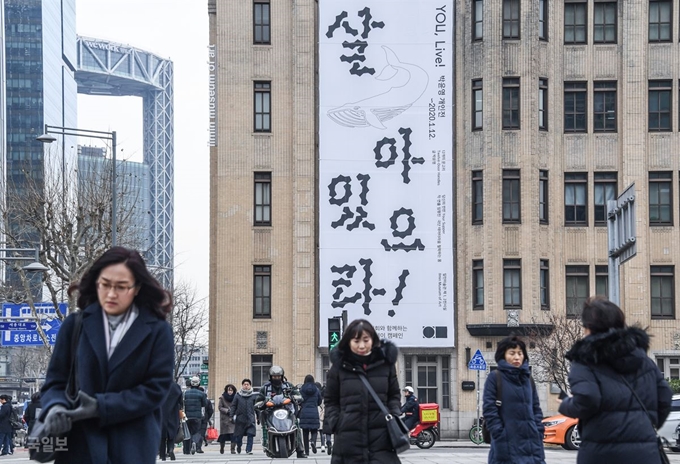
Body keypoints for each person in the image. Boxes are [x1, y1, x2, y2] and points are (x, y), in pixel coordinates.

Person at [39, 246, 175, 464]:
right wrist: (55, 406)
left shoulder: (157, 330)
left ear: (137, 288)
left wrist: (102, 406)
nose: (111, 294)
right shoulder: (75, 325)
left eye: (121, 287)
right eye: (105, 285)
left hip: (132, 445)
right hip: (79, 444)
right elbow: (55, 382)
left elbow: (156, 389)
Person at [558, 296, 673, 464]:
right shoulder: (643, 359)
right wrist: (646, 424)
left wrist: (565, 404)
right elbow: (665, 396)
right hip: (645, 454)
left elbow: (587, 399)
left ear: (589, 327)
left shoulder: (585, 360)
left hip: (602, 453)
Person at [323, 318, 401, 464]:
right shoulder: (339, 368)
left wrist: (394, 414)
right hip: (348, 439)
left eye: (366, 340)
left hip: (381, 437)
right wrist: (337, 422)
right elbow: (330, 400)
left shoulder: (385, 365)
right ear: (348, 341)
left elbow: (394, 395)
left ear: (373, 339)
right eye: (356, 341)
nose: (361, 346)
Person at [483, 336, 545, 464]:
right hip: (507, 443)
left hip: (532, 444)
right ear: (503, 355)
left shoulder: (528, 379)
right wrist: (500, 435)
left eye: (520, 353)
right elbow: (489, 410)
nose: (517, 357)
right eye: (512, 353)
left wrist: (538, 431)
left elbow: (536, 408)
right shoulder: (495, 378)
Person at [256, 365, 306, 458]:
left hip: (287, 411)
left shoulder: (288, 385)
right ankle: (266, 443)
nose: (276, 378)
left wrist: (294, 398)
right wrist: (262, 403)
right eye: (274, 377)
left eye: (278, 376)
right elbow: (258, 400)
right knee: (264, 425)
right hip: (270, 411)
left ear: (282, 376)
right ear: (270, 377)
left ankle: (300, 450)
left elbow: (298, 395)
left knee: (297, 425)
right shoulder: (265, 388)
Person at [230, 378, 257, 454]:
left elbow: (257, 407)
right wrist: (231, 416)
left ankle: (248, 450)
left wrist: (258, 416)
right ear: (242, 385)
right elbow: (233, 406)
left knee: (250, 434)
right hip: (240, 419)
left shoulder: (253, 396)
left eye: (247, 384)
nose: (246, 386)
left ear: (250, 386)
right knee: (239, 436)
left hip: (250, 418)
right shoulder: (238, 396)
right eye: (244, 384)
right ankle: (239, 446)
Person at [183, 376, 207, 455]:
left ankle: (187, 449)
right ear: (198, 384)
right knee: (196, 432)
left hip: (187, 416)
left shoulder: (186, 393)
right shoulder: (202, 394)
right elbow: (204, 404)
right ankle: (194, 442)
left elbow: (183, 404)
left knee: (187, 432)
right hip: (197, 416)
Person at [159, 382, 182, 461]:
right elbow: (181, 401)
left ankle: (162, 455)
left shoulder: (159, 385)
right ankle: (171, 449)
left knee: (162, 435)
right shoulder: (176, 386)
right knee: (172, 433)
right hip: (173, 412)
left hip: (161, 412)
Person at [299, 374, 322, 455]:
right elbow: (319, 401)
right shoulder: (316, 389)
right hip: (314, 412)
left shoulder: (302, 389)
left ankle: (307, 451)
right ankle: (313, 441)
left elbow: (299, 400)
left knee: (305, 433)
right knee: (314, 430)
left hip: (304, 412)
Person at [218, 384, 237, 454]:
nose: (230, 392)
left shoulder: (236, 397)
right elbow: (220, 407)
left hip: (232, 419)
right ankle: (222, 448)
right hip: (224, 419)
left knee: (233, 435)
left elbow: (238, 406)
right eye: (228, 390)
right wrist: (227, 410)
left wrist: (233, 411)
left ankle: (232, 449)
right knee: (223, 435)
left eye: (231, 390)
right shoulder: (222, 398)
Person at [316, 383, 332, 455]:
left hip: (321, 416)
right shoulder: (331, 399)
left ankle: (322, 445)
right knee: (328, 431)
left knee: (322, 431)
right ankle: (329, 441)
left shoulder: (321, 400)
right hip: (329, 415)